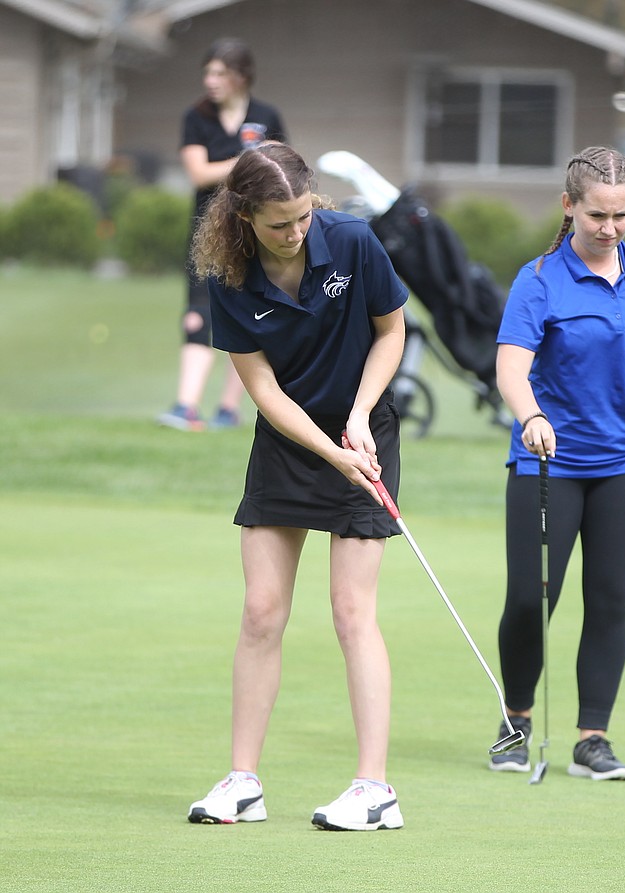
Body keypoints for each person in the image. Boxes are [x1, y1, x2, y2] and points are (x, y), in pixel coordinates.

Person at [185, 142, 410, 831]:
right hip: (290, 441)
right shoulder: (228, 274)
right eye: (281, 223)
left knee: (351, 610)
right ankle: (243, 781)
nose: (297, 231)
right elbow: (262, 390)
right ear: (245, 216)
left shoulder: (352, 239)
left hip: (362, 431)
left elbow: (392, 330)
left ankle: (375, 790)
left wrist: (360, 415)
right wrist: (326, 448)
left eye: (305, 215)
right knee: (260, 610)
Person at [489, 146, 625, 781]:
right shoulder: (539, 279)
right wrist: (531, 416)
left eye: (621, 215)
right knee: (530, 600)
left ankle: (592, 738)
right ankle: (515, 720)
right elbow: (510, 368)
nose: (609, 229)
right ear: (569, 206)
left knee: (609, 601)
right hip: (549, 462)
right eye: (597, 215)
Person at [158, 37, 287, 432]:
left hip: (254, 231)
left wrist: (248, 163)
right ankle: (186, 406)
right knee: (199, 315)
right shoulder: (196, 117)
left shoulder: (267, 115)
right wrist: (250, 159)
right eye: (208, 72)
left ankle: (229, 409)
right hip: (206, 234)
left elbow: (282, 169)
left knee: (250, 316)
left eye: (220, 73)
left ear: (241, 76)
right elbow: (199, 173)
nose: (210, 80)